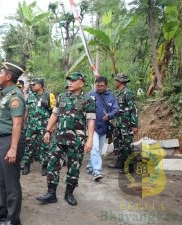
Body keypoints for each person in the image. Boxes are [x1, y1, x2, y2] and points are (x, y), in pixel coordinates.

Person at [36, 72, 95, 206]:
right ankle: (51, 193)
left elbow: (91, 121)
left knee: (73, 168)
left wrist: (90, 140)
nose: (70, 82)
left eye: (73, 80)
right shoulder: (62, 97)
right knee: (52, 165)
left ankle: (69, 193)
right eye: (69, 80)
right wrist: (47, 131)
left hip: (76, 140)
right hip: (59, 138)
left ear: (81, 83)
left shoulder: (88, 100)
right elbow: (54, 115)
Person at [0, 59, 26, 225]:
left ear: (9, 76)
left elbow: (17, 123)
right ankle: (3, 212)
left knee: (11, 182)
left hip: (10, 141)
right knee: (2, 180)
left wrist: (13, 148)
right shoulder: (6, 95)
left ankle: (13, 219)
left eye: (1, 73)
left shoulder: (16, 96)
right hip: (1, 140)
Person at [86, 76, 119, 181]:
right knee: (94, 148)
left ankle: (90, 166)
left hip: (104, 127)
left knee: (98, 150)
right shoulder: (90, 95)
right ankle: (97, 171)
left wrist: (109, 115)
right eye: (97, 86)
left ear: (106, 85)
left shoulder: (111, 97)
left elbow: (116, 109)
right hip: (93, 127)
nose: (99, 88)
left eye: (101, 86)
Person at [22, 78, 55, 176]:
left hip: (44, 126)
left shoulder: (49, 96)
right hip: (31, 126)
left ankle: (44, 166)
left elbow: (54, 112)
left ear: (40, 85)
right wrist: (24, 122)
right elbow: (27, 110)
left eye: (34, 84)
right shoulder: (31, 96)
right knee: (28, 145)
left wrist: (52, 126)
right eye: (31, 85)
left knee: (45, 146)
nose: (32, 86)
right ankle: (26, 165)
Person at [112, 73, 138, 174]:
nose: (115, 82)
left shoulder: (128, 93)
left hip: (126, 124)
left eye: (116, 80)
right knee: (118, 142)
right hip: (119, 123)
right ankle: (120, 162)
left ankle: (129, 166)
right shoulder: (120, 93)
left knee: (126, 145)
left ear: (120, 82)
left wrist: (134, 125)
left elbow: (133, 109)